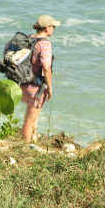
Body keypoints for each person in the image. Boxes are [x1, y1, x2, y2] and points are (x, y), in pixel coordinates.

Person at [21, 15, 60, 143]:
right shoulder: (45, 44)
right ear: (47, 28)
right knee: (30, 119)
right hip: (36, 86)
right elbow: (46, 68)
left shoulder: (30, 38)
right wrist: (50, 87)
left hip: (24, 82)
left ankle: (34, 138)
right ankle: (24, 146)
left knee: (31, 113)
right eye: (53, 26)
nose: (53, 29)